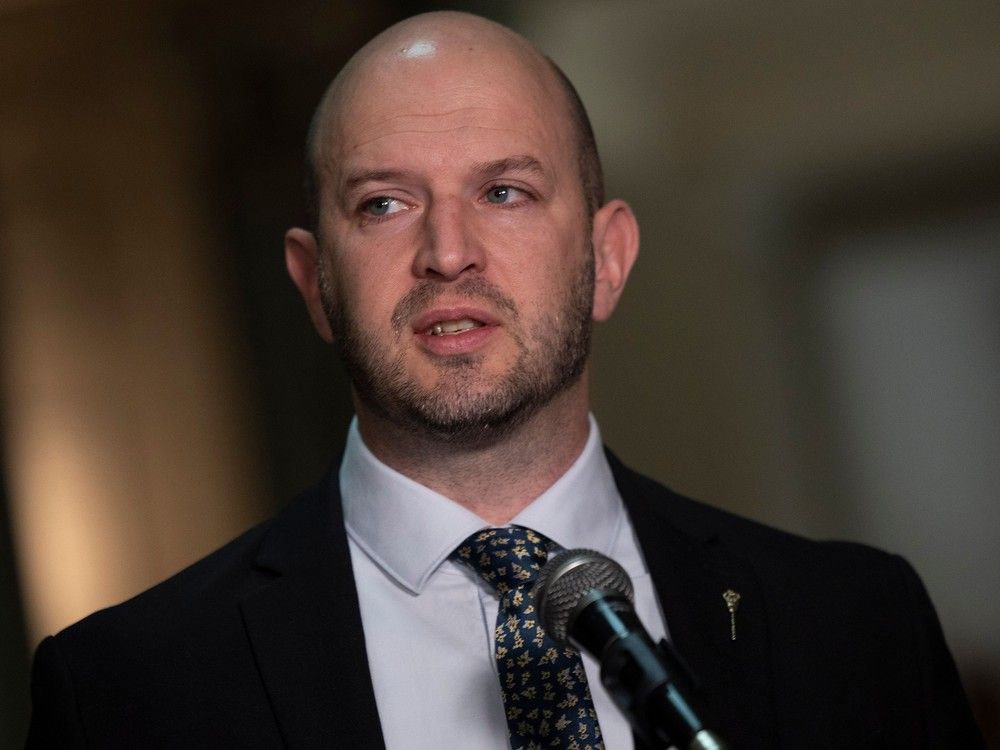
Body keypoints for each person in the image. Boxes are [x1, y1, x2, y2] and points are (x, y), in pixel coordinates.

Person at [26, 11, 984, 750]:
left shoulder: (857, 627)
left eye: (505, 192)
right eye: (386, 203)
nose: (448, 253)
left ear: (606, 259)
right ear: (314, 285)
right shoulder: (127, 688)